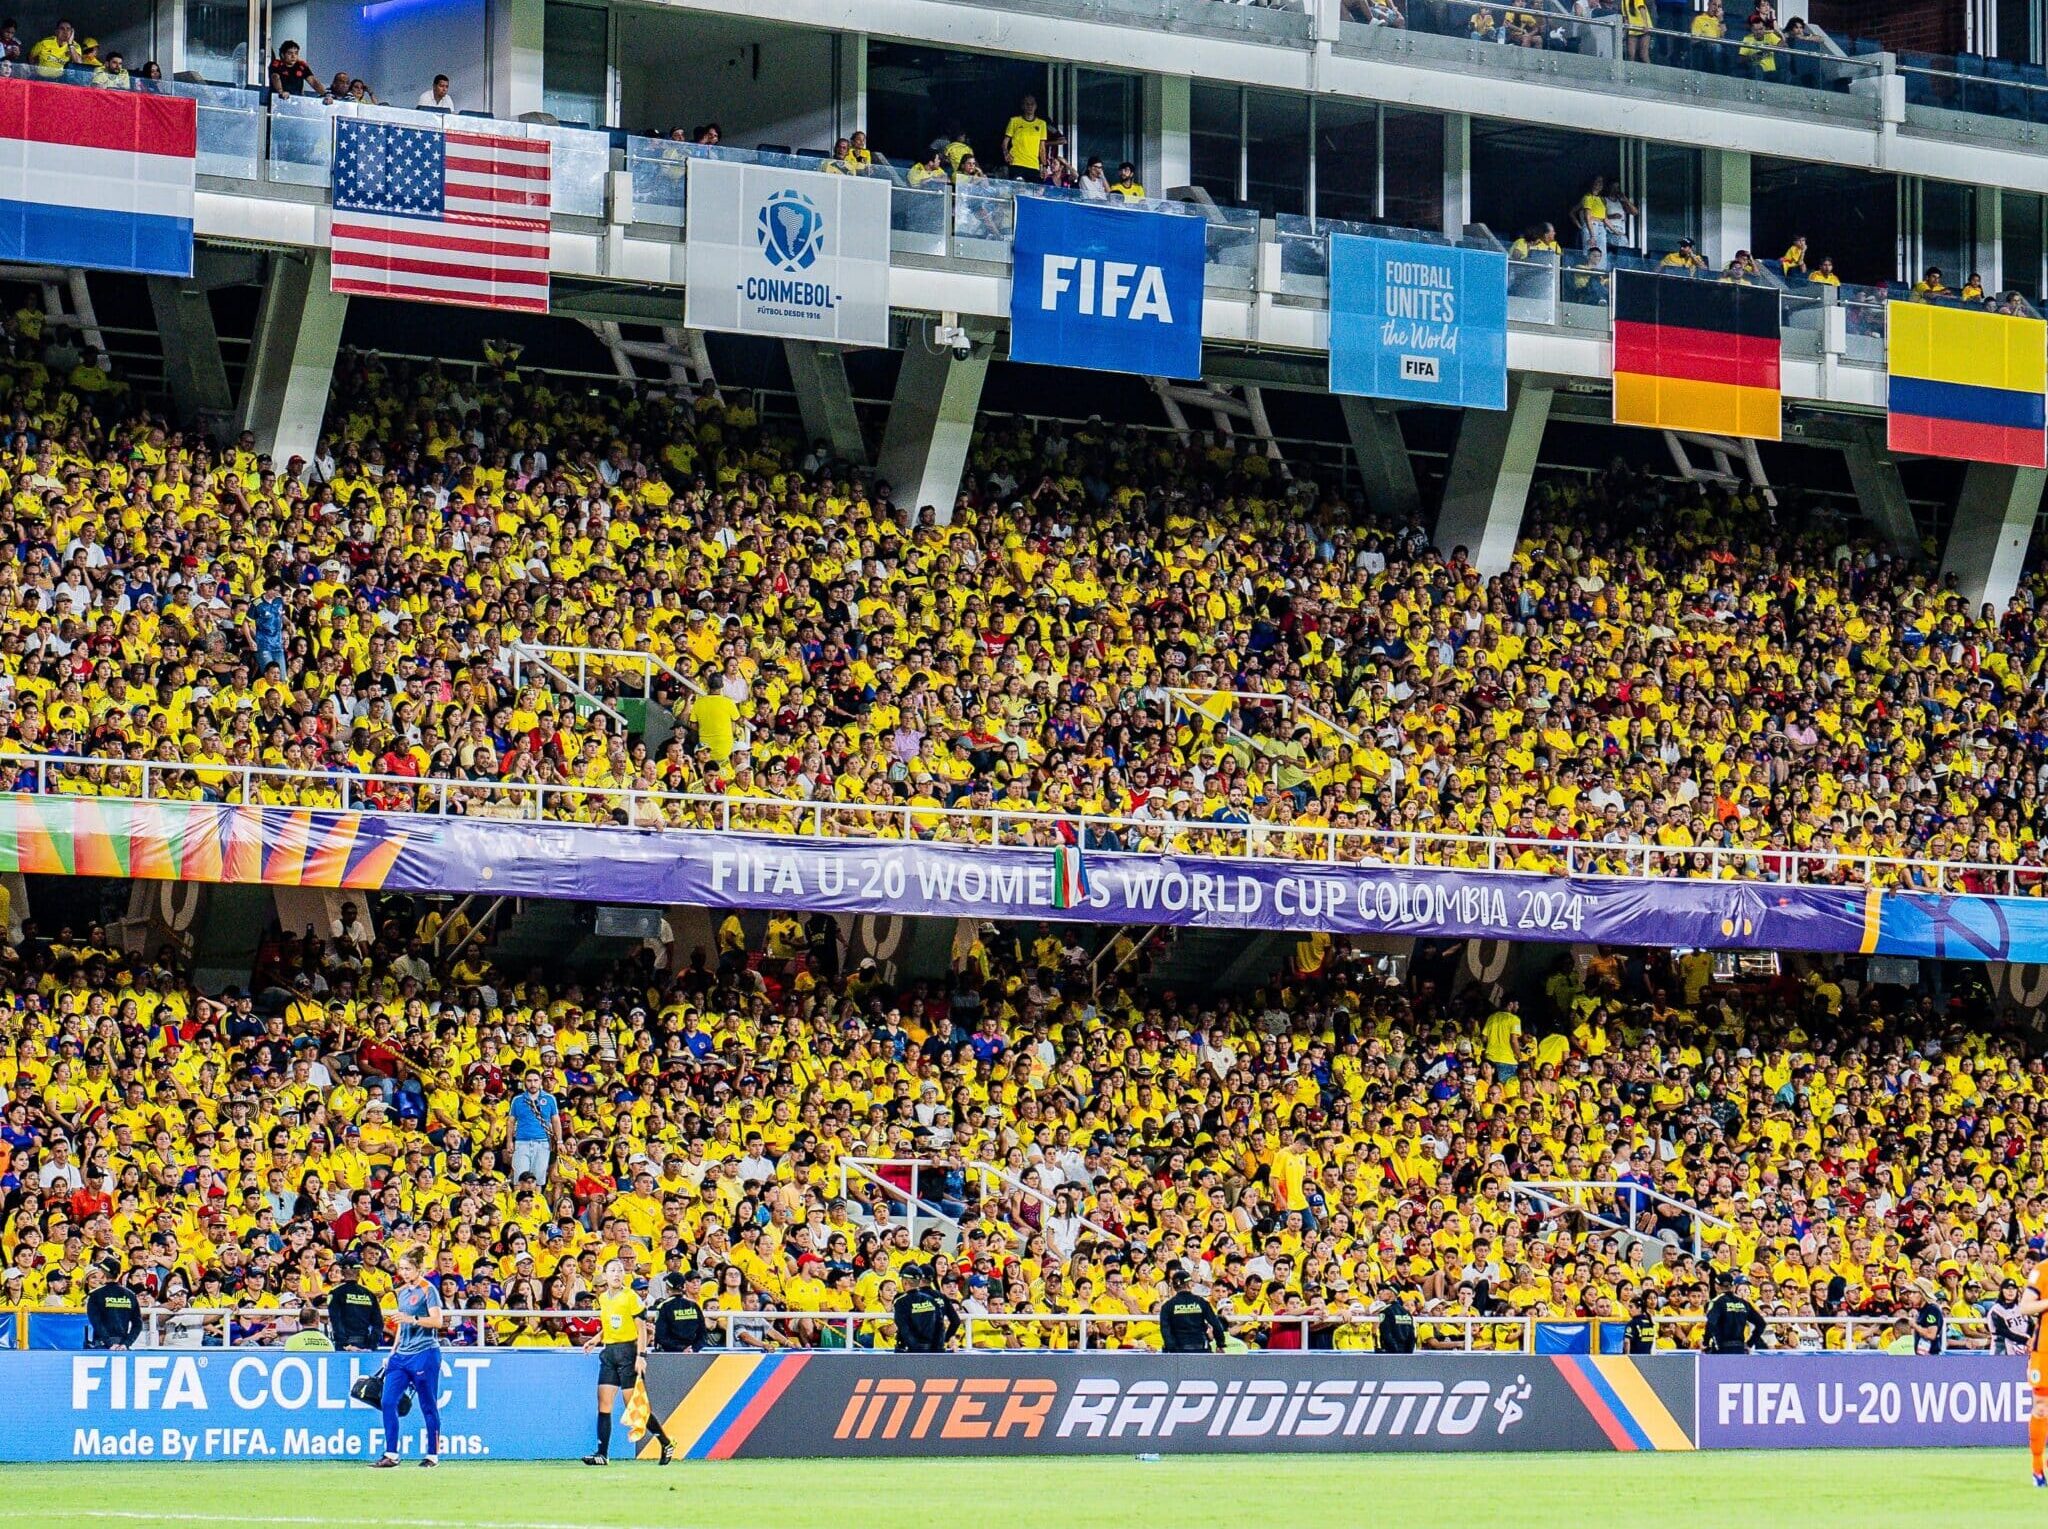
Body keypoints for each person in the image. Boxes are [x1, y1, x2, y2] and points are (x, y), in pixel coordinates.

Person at [583, 1257, 672, 1465]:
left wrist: (641, 1356)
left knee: (634, 1406)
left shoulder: (631, 1297)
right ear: (605, 1275)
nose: (616, 1274)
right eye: (612, 1270)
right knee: (603, 1402)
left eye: (620, 1270)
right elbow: (609, 1324)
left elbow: (641, 1329)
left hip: (628, 1352)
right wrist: (596, 1340)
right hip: (609, 1352)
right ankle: (602, 1454)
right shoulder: (603, 1298)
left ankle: (665, 1442)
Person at [373, 1249, 444, 1468]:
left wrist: (411, 1318)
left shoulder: (428, 1290)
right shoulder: (402, 1292)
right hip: (401, 1355)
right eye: (401, 1268)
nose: (403, 1273)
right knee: (387, 1401)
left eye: (407, 1268)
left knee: (427, 1404)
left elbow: (437, 1321)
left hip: (424, 1353)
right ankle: (391, 1454)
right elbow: (401, 1325)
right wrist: (392, 1352)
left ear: (418, 1269)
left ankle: (433, 1455)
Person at [2012, 1253, 2048, 1483]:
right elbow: (2025, 1307)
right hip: (2045, 1350)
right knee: (2042, 1407)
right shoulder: (2043, 1270)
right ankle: (2037, 1468)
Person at [1156, 1264, 1229, 1353]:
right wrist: (1220, 1343)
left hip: (1178, 1350)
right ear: (1190, 1284)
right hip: (1200, 1348)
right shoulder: (1201, 1302)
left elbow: (1165, 1329)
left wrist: (1171, 1348)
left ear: (1174, 1286)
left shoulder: (1167, 1306)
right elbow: (1215, 1323)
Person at [508, 1069, 561, 1188]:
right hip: (522, 1142)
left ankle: (537, 1205)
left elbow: (556, 1120)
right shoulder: (517, 1099)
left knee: (538, 1179)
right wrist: (509, 1141)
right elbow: (511, 1121)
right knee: (519, 1179)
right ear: (525, 1082)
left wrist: (560, 1141)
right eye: (529, 1081)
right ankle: (517, 1205)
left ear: (540, 1081)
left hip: (542, 1143)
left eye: (535, 1080)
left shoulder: (550, 1099)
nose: (532, 1084)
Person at [891, 1263, 960, 1352]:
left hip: (913, 1351)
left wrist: (916, 1350)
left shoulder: (901, 1301)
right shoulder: (935, 1298)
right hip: (934, 1348)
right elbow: (942, 1325)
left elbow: (905, 1329)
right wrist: (940, 1345)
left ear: (905, 1282)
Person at [329, 1254, 384, 1350]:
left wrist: (345, 1345)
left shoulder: (336, 1293)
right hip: (365, 1344)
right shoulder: (369, 1294)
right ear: (359, 1272)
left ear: (343, 1272)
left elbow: (336, 1321)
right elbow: (378, 1323)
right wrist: (371, 1345)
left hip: (345, 1345)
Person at [1702, 1272, 1766, 1355]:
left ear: (1716, 1286)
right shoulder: (1743, 1302)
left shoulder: (1716, 1302)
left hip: (1721, 1349)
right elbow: (1761, 1323)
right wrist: (1750, 1343)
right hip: (1739, 1348)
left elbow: (1711, 1323)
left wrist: (1705, 1343)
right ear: (1733, 1287)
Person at [84, 1261, 142, 1349]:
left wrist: (109, 1343)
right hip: (122, 1345)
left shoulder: (96, 1295)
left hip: (102, 1344)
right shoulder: (130, 1295)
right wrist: (126, 1343)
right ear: (119, 1274)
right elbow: (138, 1324)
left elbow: (96, 1323)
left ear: (102, 1274)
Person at [650, 1268, 708, 1352]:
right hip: (693, 1354)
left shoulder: (663, 1306)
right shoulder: (694, 1305)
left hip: (670, 1354)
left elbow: (661, 1336)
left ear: (667, 1287)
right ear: (683, 1286)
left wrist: (681, 1349)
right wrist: (693, 1349)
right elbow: (703, 1334)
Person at [1002, 95, 1049, 184]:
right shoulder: (1014, 121)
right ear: (1022, 106)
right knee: (1017, 190)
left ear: (1036, 106)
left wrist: (1044, 166)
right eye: (1027, 104)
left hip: (1033, 165)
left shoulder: (1041, 124)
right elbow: (1005, 142)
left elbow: (1042, 148)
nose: (1030, 106)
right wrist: (1006, 153)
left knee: (1033, 193)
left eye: (1032, 104)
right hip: (1017, 163)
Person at [1377, 1289, 1418, 1354]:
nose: (1380, 1293)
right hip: (1406, 1353)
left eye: (1383, 1291)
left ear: (1391, 1293)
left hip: (1391, 1354)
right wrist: (1408, 1353)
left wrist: (1395, 1352)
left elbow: (1386, 1334)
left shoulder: (1386, 1311)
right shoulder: (1406, 1312)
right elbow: (1412, 1337)